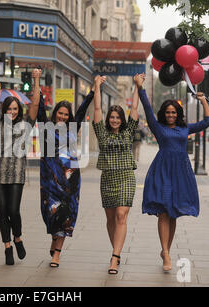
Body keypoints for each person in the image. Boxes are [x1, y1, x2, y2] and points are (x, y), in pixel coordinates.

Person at [136, 76, 209, 272]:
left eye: (173, 112)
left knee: (174, 213)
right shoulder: (157, 126)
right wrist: (140, 87)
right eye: (168, 112)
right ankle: (166, 253)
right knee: (163, 211)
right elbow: (146, 107)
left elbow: (207, 121)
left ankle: (166, 250)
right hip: (162, 171)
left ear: (178, 114)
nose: (170, 115)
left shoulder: (184, 128)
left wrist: (203, 100)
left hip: (181, 173)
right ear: (164, 114)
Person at [37, 75, 102, 268]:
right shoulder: (46, 128)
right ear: (55, 113)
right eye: (60, 113)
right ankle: (54, 239)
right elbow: (40, 111)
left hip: (70, 180)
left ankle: (57, 253)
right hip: (49, 180)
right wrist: (38, 86)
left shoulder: (73, 128)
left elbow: (82, 110)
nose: (63, 117)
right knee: (50, 214)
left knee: (66, 215)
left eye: (66, 114)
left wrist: (93, 90)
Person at [0, 69, 42, 265]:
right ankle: (7, 246)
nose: (12, 112)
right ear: (4, 110)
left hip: (16, 174)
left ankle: (18, 238)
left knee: (13, 210)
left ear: (19, 110)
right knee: (1, 211)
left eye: (15, 109)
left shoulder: (27, 123)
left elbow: (36, 103)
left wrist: (36, 79)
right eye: (9, 109)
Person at [92, 74, 143, 274]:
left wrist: (137, 86)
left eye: (117, 117)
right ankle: (117, 248)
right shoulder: (101, 132)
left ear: (122, 120)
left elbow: (135, 109)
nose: (114, 120)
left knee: (122, 215)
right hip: (108, 179)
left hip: (125, 177)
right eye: (112, 117)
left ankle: (115, 257)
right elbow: (97, 108)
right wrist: (97, 86)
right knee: (111, 218)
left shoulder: (129, 131)